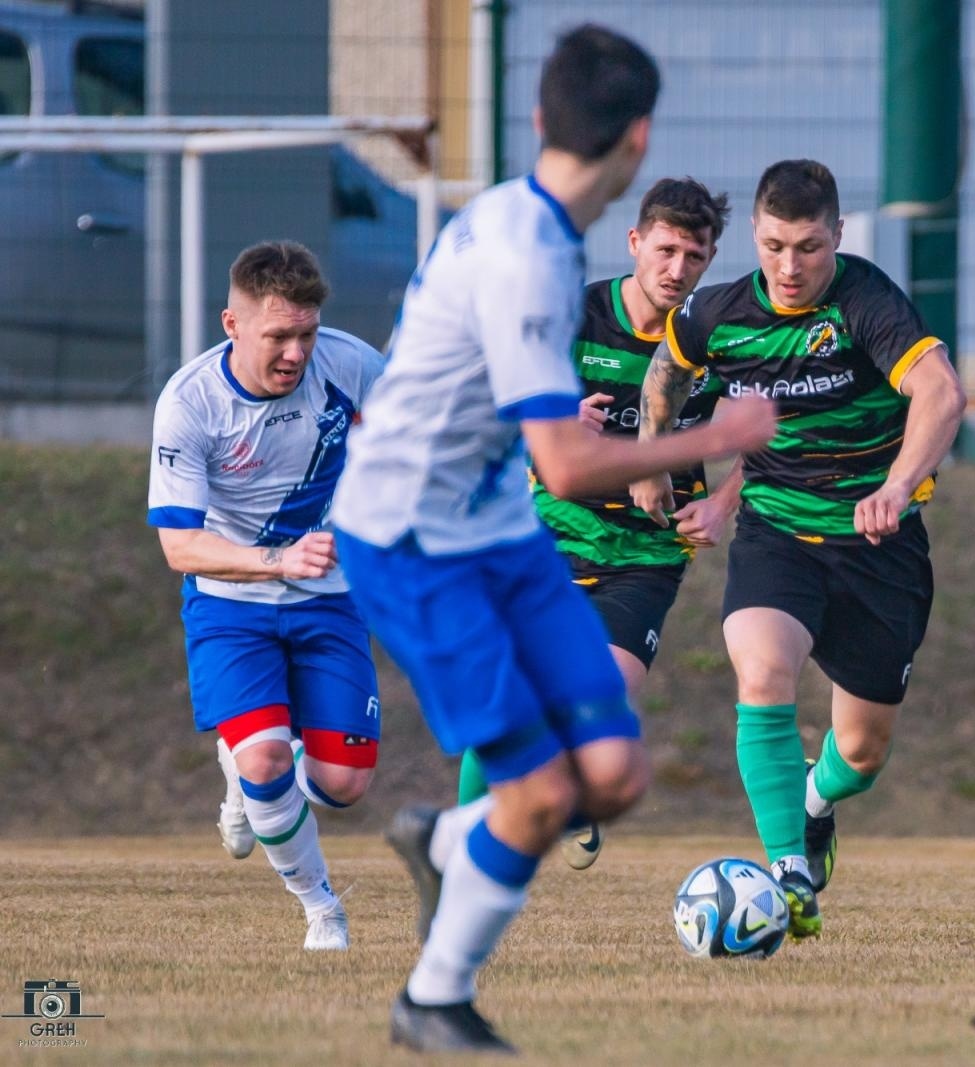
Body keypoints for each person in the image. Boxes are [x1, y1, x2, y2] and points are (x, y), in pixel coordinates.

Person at [329, 25, 776, 1055]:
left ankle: (445, 839)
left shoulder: (516, 221)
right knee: (537, 793)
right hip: (410, 539)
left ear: (539, 118)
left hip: (492, 531)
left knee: (612, 774)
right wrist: (719, 437)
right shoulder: (529, 257)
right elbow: (567, 466)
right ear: (638, 137)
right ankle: (432, 998)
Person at [631, 159, 967, 941]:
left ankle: (815, 806)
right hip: (777, 533)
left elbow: (941, 392)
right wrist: (653, 456)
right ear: (755, 235)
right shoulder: (715, 314)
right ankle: (788, 875)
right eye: (776, 245)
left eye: (810, 247)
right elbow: (666, 372)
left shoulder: (866, 301)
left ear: (838, 237)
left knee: (862, 749)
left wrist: (897, 483)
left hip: (879, 546)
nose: (790, 266)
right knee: (762, 667)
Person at [454, 176, 740, 873]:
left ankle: (573, 797)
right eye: (666, 250)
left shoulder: (717, 335)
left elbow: (772, 433)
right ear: (635, 241)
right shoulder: (574, 316)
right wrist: (541, 431)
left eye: (695, 256)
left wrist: (722, 502)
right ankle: (463, 849)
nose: (678, 270)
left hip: (646, 553)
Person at [147, 240, 386, 952]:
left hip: (329, 595)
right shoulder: (190, 404)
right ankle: (322, 907)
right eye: (278, 335)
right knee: (265, 759)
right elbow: (178, 547)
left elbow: (408, 440)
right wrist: (278, 557)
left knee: (344, 783)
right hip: (230, 603)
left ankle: (256, 789)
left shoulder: (349, 363)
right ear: (233, 324)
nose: (295, 352)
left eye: (306, 333)